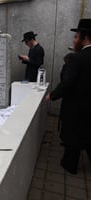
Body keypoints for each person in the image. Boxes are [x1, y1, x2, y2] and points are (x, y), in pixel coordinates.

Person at [46, 19, 91, 174]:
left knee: (73, 138)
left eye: (76, 37)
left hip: (76, 108)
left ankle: (69, 166)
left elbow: (67, 84)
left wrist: (52, 95)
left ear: (85, 38)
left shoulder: (77, 59)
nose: (74, 40)